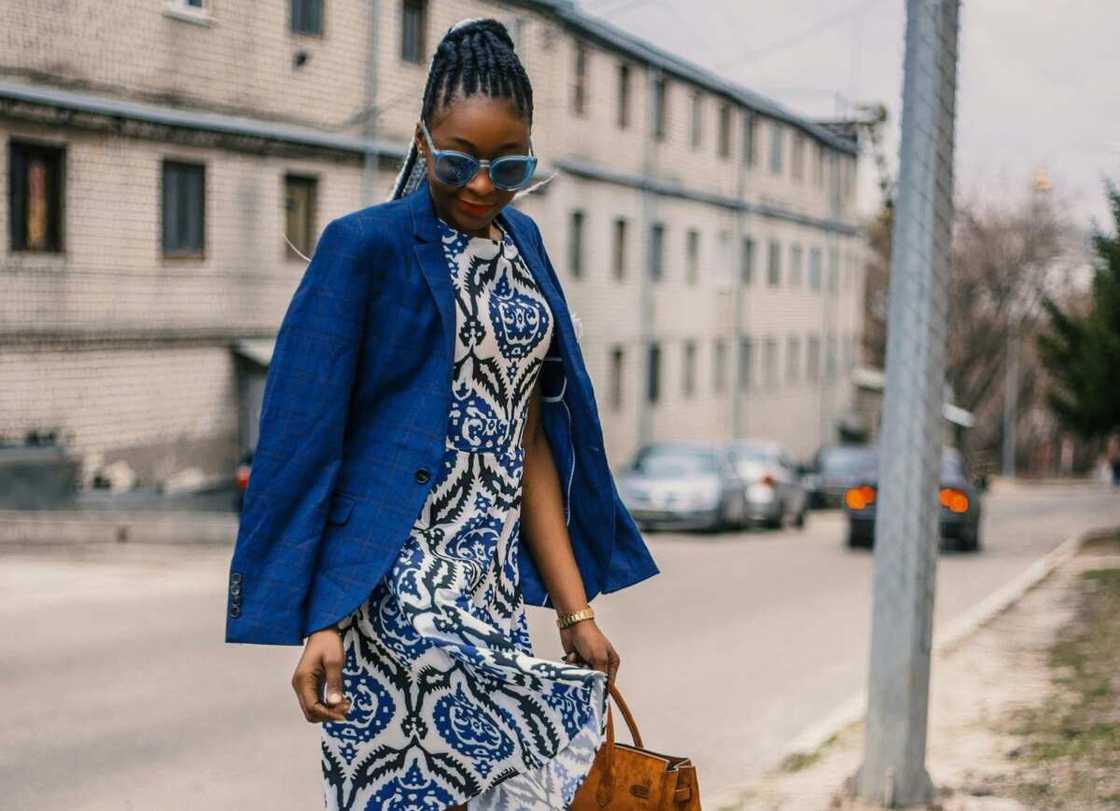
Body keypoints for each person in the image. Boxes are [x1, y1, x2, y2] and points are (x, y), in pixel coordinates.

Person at [223, 17, 660, 811]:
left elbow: (527, 442)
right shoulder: (365, 246)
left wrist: (575, 611)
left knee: (512, 779)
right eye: (459, 159)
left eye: (511, 165)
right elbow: (305, 438)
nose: (483, 185)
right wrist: (323, 621)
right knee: (519, 768)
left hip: (489, 589)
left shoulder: (524, 245)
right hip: (397, 590)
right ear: (423, 140)